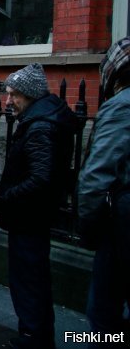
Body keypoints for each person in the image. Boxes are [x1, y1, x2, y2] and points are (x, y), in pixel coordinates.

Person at [0, 63, 75, 349]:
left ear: (29, 95)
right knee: (33, 280)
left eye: (14, 94)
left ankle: (32, 338)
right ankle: (36, 335)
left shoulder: (41, 126)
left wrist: (8, 195)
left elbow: (41, 177)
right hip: (32, 216)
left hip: (29, 217)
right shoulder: (42, 119)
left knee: (29, 281)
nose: (8, 101)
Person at [77, 37, 130, 348]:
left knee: (103, 314)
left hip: (122, 222)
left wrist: (88, 229)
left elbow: (96, 177)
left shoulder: (121, 107)